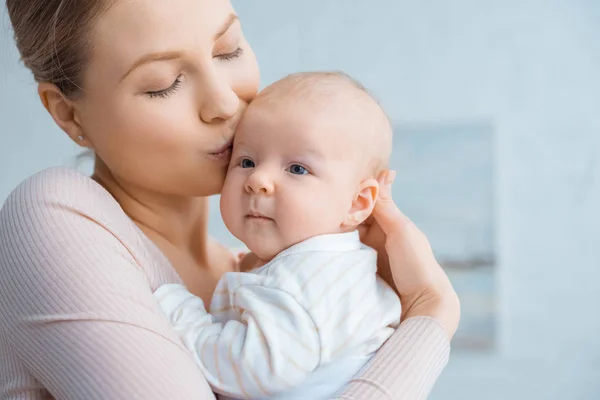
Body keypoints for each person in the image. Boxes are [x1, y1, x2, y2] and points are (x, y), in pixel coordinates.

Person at [0, 0, 460, 399]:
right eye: (163, 82)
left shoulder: (259, 277)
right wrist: (431, 317)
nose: (223, 102)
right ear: (68, 112)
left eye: (229, 49)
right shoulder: (53, 217)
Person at [154, 71, 401, 400]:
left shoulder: (304, 281)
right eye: (246, 160)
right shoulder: (330, 267)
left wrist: (178, 311)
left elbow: (256, 369)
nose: (258, 179)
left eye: (297, 169)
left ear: (357, 202)